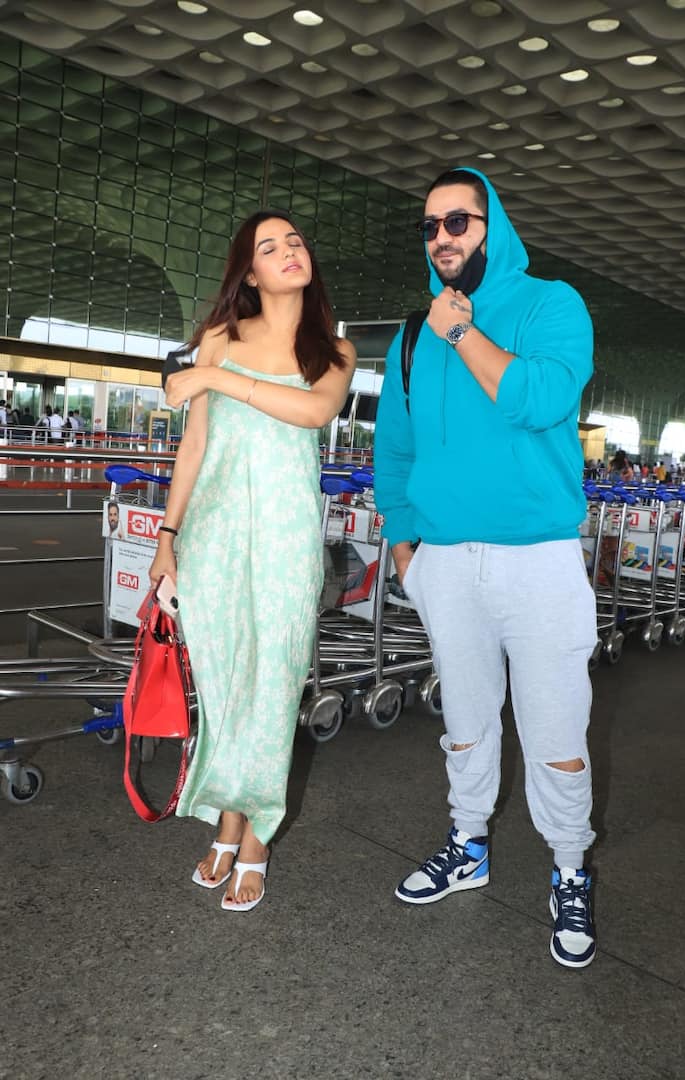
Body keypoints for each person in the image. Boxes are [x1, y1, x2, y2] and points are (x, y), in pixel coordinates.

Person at [374, 167, 598, 969]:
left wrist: (462, 332)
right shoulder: (408, 337)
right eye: (431, 225)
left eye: (458, 222)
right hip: (444, 565)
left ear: (491, 226)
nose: (442, 238)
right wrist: (407, 552)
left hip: (537, 560)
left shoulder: (552, 306)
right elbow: (393, 451)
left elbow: (537, 398)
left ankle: (569, 867)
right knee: (465, 726)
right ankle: (467, 845)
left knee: (555, 733)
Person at [150, 210, 355, 911]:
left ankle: (256, 832)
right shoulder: (217, 337)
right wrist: (167, 534)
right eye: (270, 247)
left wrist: (213, 377)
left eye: (295, 241)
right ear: (251, 270)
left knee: (273, 682)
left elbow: (311, 413)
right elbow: (196, 447)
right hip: (213, 532)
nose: (288, 252)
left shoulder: (332, 350)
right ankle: (231, 821)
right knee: (227, 681)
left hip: (286, 536)